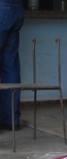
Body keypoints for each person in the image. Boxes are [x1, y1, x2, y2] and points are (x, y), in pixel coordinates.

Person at [0, 0, 25, 129]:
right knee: (10, 66)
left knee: (10, 65)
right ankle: (11, 120)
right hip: (17, 9)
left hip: (2, 7)